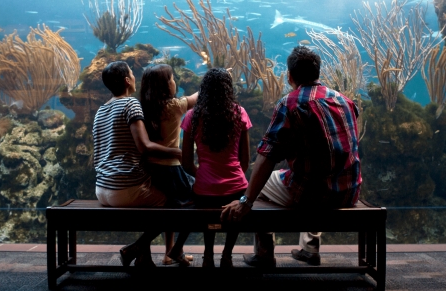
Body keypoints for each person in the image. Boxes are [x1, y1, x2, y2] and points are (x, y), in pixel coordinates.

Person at [221, 46, 362, 267]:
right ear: (317, 73)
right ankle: (310, 248)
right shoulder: (345, 101)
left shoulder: (290, 103)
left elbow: (268, 155)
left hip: (313, 195)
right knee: (314, 172)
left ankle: (264, 252)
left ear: (289, 77)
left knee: (260, 184)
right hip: (349, 191)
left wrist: (245, 202)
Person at [93, 61, 182, 267]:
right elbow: (145, 146)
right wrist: (178, 152)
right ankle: (136, 247)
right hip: (125, 188)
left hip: (102, 189)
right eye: (132, 73)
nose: (135, 77)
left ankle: (144, 257)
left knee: (152, 194)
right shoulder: (130, 104)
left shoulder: (101, 111)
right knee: (174, 203)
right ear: (127, 80)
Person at [181, 68, 252, 268]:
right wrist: (233, 176)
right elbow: (245, 160)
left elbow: (186, 162)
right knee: (236, 211)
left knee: (207, 215)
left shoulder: (192, 116)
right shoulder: (239, 113)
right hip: (236, 187)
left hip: (204, 191)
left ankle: (208, 255)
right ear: (228, 89)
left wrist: (203, 176)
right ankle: (227, 256)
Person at [139, 64, 198, 266]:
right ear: (164, 86)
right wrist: (210, 80)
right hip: (171, 169)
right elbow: (197, 98)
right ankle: (175, 250)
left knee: (169, 205)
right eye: (172, 78)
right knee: (194, 202)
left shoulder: (142, 108)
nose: (175, 82)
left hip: (149, 169)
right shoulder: (174, 107)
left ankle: (165, 254)